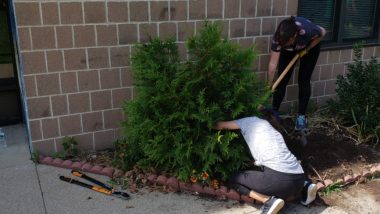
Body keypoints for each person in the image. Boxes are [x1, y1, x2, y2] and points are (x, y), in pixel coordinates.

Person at [214, 109, 317, 214]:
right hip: (299, 177)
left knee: (233, 179)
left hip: (280, 181)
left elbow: (220, 125)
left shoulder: (249, 121)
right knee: (278, 174)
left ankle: (268, 201)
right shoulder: (273, 131)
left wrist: (206, 125)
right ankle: (306, 187)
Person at [268, 16, 326, 132]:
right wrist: (269, 85)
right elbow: (273, 64)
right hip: (290, 51)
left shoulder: (308, 30)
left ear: (294, 36)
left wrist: (307, 49)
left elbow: (323, 32)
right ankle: (274, 113)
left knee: (304, 79)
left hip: (309, 48)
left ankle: (301, 117)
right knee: (282, 79)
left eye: (286, 42)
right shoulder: (279, 37)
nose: (283, 44)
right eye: (282, 43)